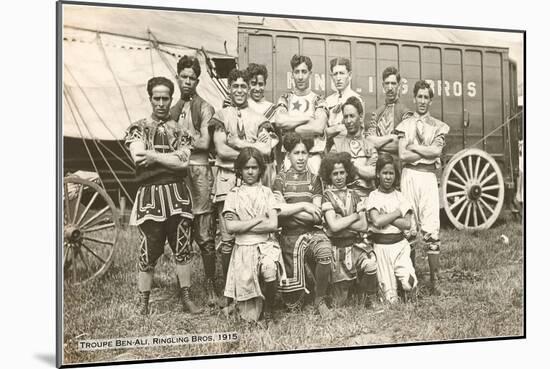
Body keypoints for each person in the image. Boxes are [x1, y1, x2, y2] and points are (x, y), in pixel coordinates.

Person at [124, 76, 200, 315]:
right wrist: (171, 159)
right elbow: (138, 157)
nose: (160, 103)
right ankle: (143, 302)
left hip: (177, 195)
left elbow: (184, 162)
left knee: (183, 247)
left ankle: (186, 297)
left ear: (170, 99)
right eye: (156, 98)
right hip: (149, 197)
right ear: (150, 98)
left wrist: (154, 157)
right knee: (148, 249)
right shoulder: (138, 128)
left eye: (165, 98)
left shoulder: (181, 130)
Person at [209, 68, 276, 296]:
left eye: (243, 86)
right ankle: (230, 293)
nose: (239, 90)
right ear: (229, 88)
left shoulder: (259, 118)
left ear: (249, 89)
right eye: (235, 86)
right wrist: (251, 150)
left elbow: (266, 149)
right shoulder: (221, 116)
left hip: (255, 183)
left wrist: (238, 143)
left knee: (257, 234)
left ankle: (259, 289)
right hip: (227, 180)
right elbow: (220, 149)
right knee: (228, 239)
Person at [169, 55, 218, 306]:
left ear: (197, 80)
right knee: (181, 229)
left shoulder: (205, 107)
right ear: (178, 78)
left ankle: (211, 285)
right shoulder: (172, 109)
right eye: (183, 77)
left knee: (205, 232)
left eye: (192, 78)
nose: (187, 81)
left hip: (199, 174)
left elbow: (205, 143)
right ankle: (184, 289)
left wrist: (181, 140)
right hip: (179, 174)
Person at [396, 80, 450, 295]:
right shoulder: (405, 125)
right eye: (419, 96)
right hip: (409, 175)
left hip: (428, 178)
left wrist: (415, 147)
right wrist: (424, 151)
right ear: (414, 97)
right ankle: (410, 281)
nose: (422, 101)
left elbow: (436, 152)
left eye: (426, 97)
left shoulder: (438, 126)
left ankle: (435, 282)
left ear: (430, 100)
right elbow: (402, 155)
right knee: (409, 228)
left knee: (431, 228)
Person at [272, 132, 334, 318]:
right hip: (289, 236)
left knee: (324, 250)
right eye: (296, 153)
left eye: (304, 153)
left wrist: (290, 211)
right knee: (293, 305)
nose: (300, 157)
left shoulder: (315, 180)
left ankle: (319, 299)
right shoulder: (280, 179)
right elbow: (277, 213)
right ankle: (299, 291)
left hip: (311, 232)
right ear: (289, 155)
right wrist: (303, 205)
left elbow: (316, 216)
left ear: (309, 155)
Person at [222, 147, 282, 321]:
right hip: (243, 248)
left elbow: (273, 224)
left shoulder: (267, 193)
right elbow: (231, 227)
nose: (250, 171)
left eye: (254, 167)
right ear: (240, 169)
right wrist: (258, 219)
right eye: (246, 167)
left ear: (260, 169)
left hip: (265, 245)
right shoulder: (233, 195)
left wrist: (244, 225)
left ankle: (270, 307)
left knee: (269, 267)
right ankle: (250, 305)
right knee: (248, 317)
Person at [319, 152, 378, 308]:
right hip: (337, 249)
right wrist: (354, 217)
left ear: (348, 173)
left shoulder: (355, 195)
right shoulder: (326, 196)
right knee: (340, 302)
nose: (339, 177)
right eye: (335, 174)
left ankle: (366, 297)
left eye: (342, 173)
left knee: (371, 265)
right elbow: (334, 227)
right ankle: (345, 292)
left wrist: (341, 220)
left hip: (355, 246)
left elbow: (364, 226)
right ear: (329, 176)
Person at [361, 153, 417, 303]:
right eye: (384, 173)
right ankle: (394, 290)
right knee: (389, 298)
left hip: (399, 246)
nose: (388, 177)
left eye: (391, 173)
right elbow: (377, 221)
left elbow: (407, 224)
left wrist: (388, 216)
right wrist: (397, 213)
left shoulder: (400, 197)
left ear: (395, 175)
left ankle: (406, 290)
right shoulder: (373, 196)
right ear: (378, 174)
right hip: (381, 247)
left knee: (409, 282)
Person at [273, 54, 329, 175]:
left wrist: (290, 129)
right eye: (296, 72)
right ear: (292, 74)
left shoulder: (319, 100)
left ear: (310, 73)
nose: (300, 76)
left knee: (316, 192)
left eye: (304, 72)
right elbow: (279, 121)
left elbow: (318, 127)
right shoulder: (285, 98)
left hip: (313, 159)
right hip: (290, 158)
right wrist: (307, 118)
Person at [330, 96, 377, 200]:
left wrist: (350, 165)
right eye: (345, 117)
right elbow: (333, 175)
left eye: (352, 116)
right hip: (343, 198)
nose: (348, 121)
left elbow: (373, 172)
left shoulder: (369, 145)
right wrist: (362, 170)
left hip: (367, 197)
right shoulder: (336, 146)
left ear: (360, 117)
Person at [366, 66, 413, 157]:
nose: (390, 87)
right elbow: (368, 141)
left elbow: (404, 145)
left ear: (399, 86)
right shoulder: (376, 114)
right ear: (383, 86)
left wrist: (377, 144)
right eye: (387, 83)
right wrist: (391, 138)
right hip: (379, 164)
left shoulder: (406, 113)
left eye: (393, 83)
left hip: (397, 165)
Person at [245, 63, 279, 187]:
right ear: (248, 84)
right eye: (253, 84)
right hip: (248, 163)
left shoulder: (271, 108)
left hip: (267, 163)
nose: (257, 88)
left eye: (261, 84)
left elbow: (272, 140)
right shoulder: (243, 105)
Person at [325, 57, 365, 142]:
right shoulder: (328, 101)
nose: (338, 78)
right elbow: (323, 131)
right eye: (335, 74)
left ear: (349, 75)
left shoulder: (356, 99)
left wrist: (332, 130)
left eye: (342, 73)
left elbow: (354, 130)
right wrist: (338, 128)